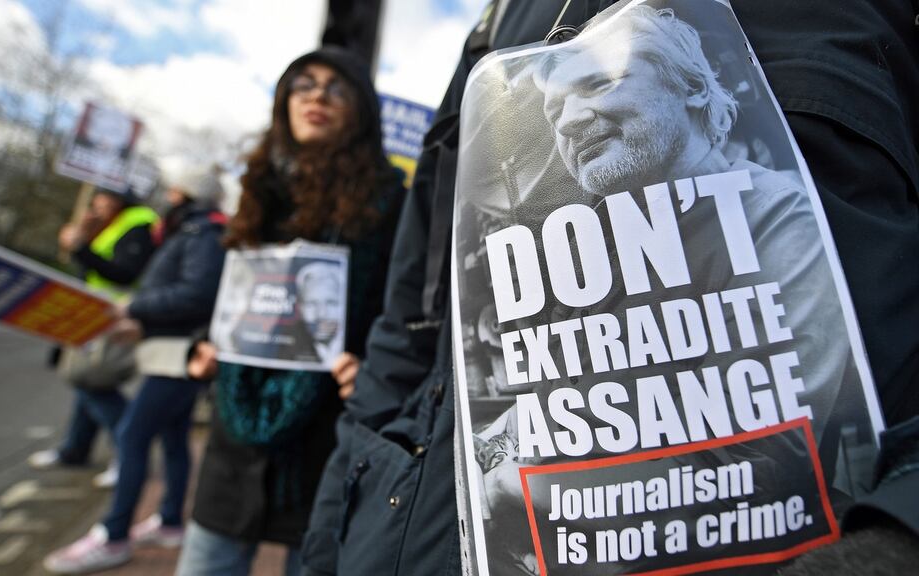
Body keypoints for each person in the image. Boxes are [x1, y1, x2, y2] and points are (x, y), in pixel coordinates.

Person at [301, 1, 919, 575]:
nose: (569, 121)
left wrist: (897, 538)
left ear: (692, 87)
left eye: (599, 84)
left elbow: (761, 457)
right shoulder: (502, 26)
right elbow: (416, 338)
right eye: (551, 113)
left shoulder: (778, 216)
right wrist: (335, 538)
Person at [174, 47, 404, 576]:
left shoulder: (392, 202)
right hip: (234, 443)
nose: (318, 95)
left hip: (327, 438)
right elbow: (223, 299)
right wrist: (200, 347)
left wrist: (373, 368)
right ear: (284, 102)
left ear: (362, 111)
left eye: (336, 87)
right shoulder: (255, 192)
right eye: (304, 84)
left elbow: (401, 308)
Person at [43, 168, 227, 574]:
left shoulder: (202, 234)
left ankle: (114, 535)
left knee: (132, 435)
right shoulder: (191, 231)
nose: (168, 195)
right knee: (174, 438)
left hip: (180, 353)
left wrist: (135, 308)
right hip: (169, 348)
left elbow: (197, 294)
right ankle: (170, 521)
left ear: (187, 195)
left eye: (174, 189)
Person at [28, 187, 158, 489]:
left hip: (113, 318)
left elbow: (124, 273)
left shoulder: (138, 226)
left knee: (92, 383)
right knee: (86, 384)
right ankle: (75, 449)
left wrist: (81, 248)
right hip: (94, 314)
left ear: (118, 201)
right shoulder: (111, 225)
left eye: (104, 202)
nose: (98, 207)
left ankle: (128, 454)